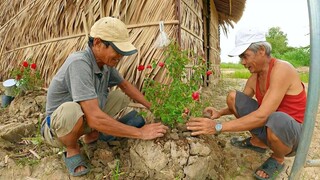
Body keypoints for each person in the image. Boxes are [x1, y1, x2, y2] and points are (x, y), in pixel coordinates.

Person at [41, 17, 168, 177]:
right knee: (72, 110)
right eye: (117, 50)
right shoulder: (79, 63)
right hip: (57, 129)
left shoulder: (105, 65)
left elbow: (126, 86)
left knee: (120, 97)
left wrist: (154, 107)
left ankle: (91, 136)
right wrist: (140, 133)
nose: (120, 56)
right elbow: (94, 117)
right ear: (98, 43)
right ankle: (72, 149)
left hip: (82, 120)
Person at [186, 28, 306, 180]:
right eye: (241, 57)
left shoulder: (282, 69)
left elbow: (263, 115)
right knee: (233, 97)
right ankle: (259, 142)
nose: (243, 62)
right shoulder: (255, 76)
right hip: (271, 126)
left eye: (245, 56)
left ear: (261, 50)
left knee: (276, 118)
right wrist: (220, 113)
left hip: (292, 136)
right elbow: (240, 105)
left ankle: (278, 158)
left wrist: (217, 127)